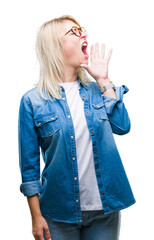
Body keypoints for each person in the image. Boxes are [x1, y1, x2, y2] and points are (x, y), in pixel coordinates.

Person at [18, 15, 136, 240]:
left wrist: (103, 79)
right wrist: (35, 216)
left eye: (82, 29)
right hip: (58, 212)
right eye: (73, 32)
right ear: (55, 47)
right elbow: (29, 167)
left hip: (105, 211)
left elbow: (122, 126)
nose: (84, 34)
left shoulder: (98, 90)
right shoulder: (32, 101)